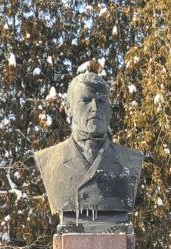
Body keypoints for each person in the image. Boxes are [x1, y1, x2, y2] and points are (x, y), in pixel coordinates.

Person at [33, 71, 145, 227]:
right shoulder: (50, 160)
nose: (94, 108)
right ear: (69, 108)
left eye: (101, 101)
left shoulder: (130, 161)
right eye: (85, 100)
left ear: (110, 110)